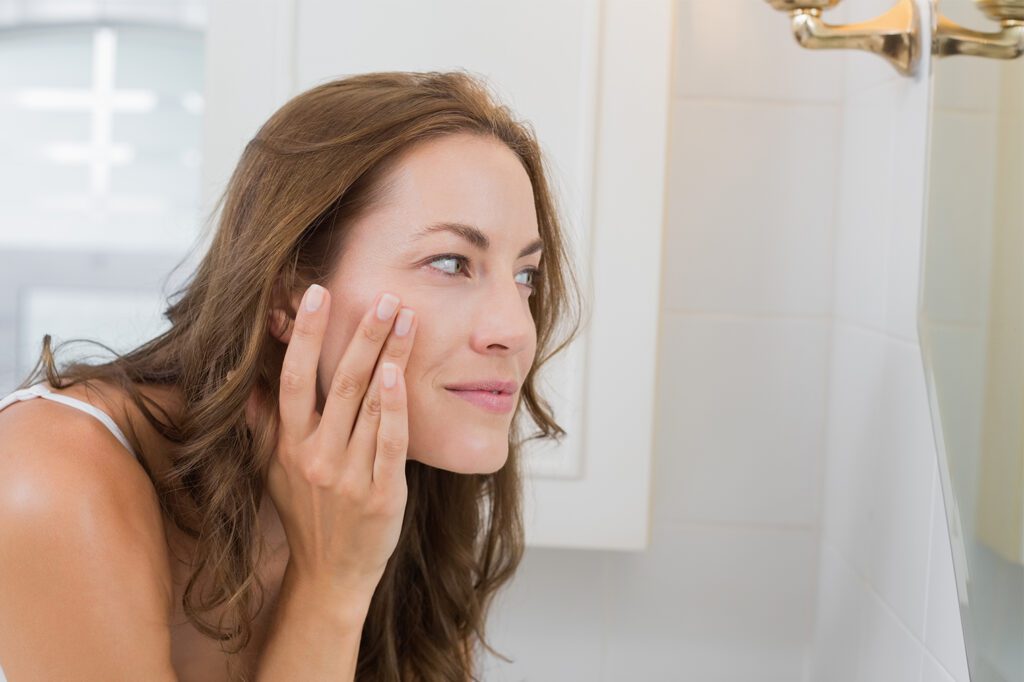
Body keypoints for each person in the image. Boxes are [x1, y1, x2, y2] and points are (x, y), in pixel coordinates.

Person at [0, 70, 584, 681]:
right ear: (287, 292)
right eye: (450, 263)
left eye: (525, 275)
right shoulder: (55, 474)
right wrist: (331, 586)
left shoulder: (394, 478)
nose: (515, 329)